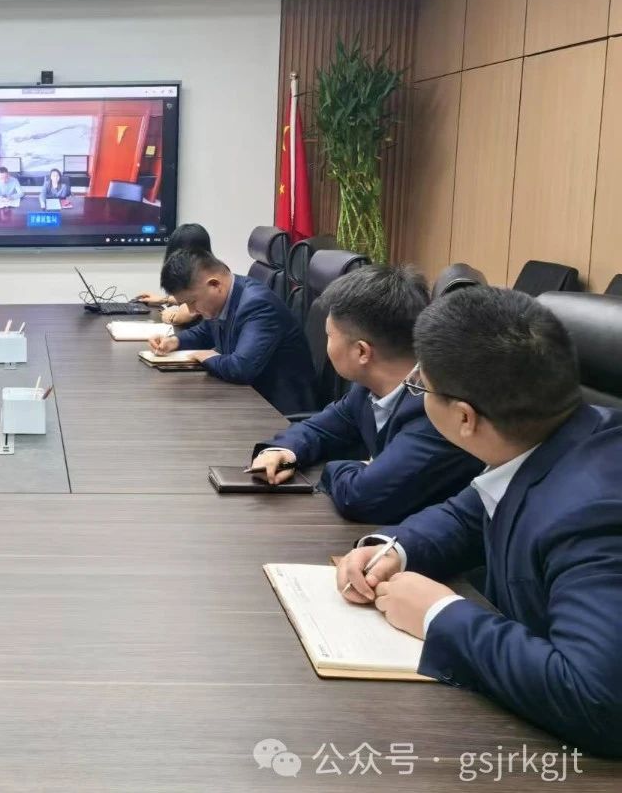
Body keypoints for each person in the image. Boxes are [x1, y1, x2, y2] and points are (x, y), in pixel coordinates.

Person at [335, 287, 622, 756]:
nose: (416, 393)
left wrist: (440, 614)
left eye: (421, 387)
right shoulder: (562, 435)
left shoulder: (593, 514)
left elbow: (598, 701)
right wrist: (393, 548)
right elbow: (468, 514)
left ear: (465, 418)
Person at [248, 266, 482, 522]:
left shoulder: (435, 408)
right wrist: (282, 451)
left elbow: (360, 496)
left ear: (362, 352)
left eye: (329, 335)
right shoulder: (367, 389)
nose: (326, 345)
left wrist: (342, 468)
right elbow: (320, 428)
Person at [148, 249, 316, 415]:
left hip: (276, 411)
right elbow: (205, 332)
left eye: (192, 302)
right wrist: (175, 341)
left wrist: (206, 357)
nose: (191, 311)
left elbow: (240, 368)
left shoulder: (258, 305)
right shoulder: (230, 295)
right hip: (248, 397)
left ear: (215, 285)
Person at [135, 223, 213, 327]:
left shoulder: (202, 278)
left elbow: (184, 314)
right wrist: (164, 300)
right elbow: (188, 299)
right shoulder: (212, 268)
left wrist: (170, 316)